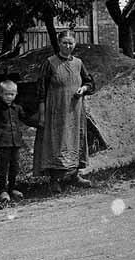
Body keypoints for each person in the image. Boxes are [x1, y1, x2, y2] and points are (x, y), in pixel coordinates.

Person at [34, 31, 96, 193]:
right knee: (57, 141)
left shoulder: (79, 63)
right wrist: (42, 113)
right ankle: (54, 179)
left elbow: (90, 82)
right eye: (64, 43)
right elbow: (40, 89)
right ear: (59, 44)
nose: (68, 46)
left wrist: (83, 88)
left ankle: (74, 175)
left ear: (74, 44)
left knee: (75, 139)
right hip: (56, 110)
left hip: (75, 110)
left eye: (71, 43)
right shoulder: (50, 63)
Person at [0, 80, 30, 202]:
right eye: (6, 94)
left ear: (16, 94)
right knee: (3, 166)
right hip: (2, 143)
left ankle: (12, 188)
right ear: (0, 94)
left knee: (14, 166)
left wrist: (39, 121)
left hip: (15, 142)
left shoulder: (17, 108)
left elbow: (26, 119)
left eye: (12, 94)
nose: (9, 97)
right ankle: (3, 190)